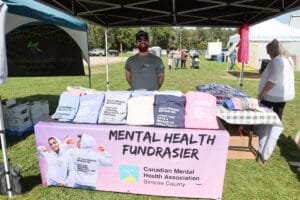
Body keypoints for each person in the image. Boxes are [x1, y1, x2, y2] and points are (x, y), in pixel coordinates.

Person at [258, 39, 295, 120]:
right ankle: (275, 131)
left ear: (273, 50)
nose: (267, 53)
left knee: (260, 112)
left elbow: (272, 80)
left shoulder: (277, 60)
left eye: (268, 51)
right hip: (283, 94)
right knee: (278, 115)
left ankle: (257, 130)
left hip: (273, 95)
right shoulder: (288, 59)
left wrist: (263, 93)